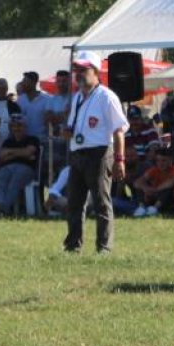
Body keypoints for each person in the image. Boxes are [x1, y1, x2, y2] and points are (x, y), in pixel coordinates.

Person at [62, 50, 128, 254]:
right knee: (74, 203)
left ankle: (104, 247)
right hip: (77, 153)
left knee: (101, 202)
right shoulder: (77, 98)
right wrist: (68, 132)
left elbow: (119, 131)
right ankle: (73, 246)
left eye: (83, 70)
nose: (78, 74)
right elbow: (76, 126)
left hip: (99, 154)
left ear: (96, 71)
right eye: (76, 70)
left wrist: (119, 160)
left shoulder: (107, 97)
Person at [0, 115, 39, 215]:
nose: (16, 128)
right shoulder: (8, 141)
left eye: (19, 126)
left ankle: (3, 208)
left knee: (15, 181)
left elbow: (28, 152)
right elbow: (1, 156)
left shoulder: (32, 139)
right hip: (7, 167)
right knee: (1, 177)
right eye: (13, 126)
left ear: (25, 127)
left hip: (26, 168)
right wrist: (22, 153)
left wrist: (10, 153)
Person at [131, 147, 174, 217]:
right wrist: (146, 188)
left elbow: (171, 183)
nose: (160, 163)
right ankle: (141, 207)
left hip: (169, 199)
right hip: (154, 195)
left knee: (168, 189)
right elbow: (137, 183)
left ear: (170, 161)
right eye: (158, 161)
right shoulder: (154, 170)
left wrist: (154, 190)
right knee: (141, 186)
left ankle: (154, 209)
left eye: (164, 160)